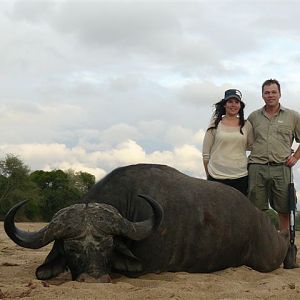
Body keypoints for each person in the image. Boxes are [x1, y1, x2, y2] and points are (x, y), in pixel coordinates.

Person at [248, 79, 300, 268]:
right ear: (262, 95)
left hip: (282, 167)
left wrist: (296, 156)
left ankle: (285, 252)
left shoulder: (293, 116)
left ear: (280, 94)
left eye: (273, 92)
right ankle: (260, 249)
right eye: (267, 92)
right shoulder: (253, 117)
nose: (270, 95)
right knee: (256, 209)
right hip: (257, 167)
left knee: (284, 210)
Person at [202, 89, 253, 195]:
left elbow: (252, 146)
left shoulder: (246, 125)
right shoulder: (215, 124)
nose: (233, 105)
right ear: (224, 104)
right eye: (230, 102)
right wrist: (209, 175)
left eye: (236, 102)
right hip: (216, 176)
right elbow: (206, 154)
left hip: (241, 176)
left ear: (240, 105)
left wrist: (281, 148)